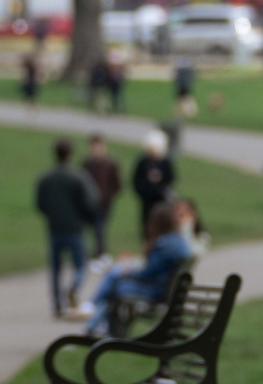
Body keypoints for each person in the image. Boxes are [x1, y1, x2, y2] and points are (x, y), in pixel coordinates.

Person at [84, 203, 193, 338]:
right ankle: (95, 321)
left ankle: (94, 316)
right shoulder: (178, 241)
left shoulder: (165, 243)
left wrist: (129, 273)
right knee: (116, 278)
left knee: (116, 281)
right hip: (165, 288)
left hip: (156, 290)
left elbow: (149, 273)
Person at [36, 138, 98, 318]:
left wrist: (52, 215)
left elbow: (40, 203)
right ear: (70, 153)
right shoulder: (79, 176)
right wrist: (88, 219)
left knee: (56, 269)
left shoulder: (46, 177)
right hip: (75, 228)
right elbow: (90, 201)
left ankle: (56, 304)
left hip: (55, 228)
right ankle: (73, 288)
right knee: (80, 266)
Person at [81, 134, 121, 261]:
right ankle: (91, 252)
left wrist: (108, 196)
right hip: (89, 203)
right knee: (89, 228)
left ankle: (100, 252)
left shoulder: (110, 164)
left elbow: (117, 185)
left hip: (104, 203)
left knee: (99, 228)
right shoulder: (86, 164)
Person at [133, 129, 175, 238]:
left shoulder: (165, 162)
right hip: (147, 201)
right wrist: (144, 192)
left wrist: (162, 190)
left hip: (161, 200)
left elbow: (170, 178)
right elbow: (137, 180)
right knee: (147, 223)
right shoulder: (143, 162)